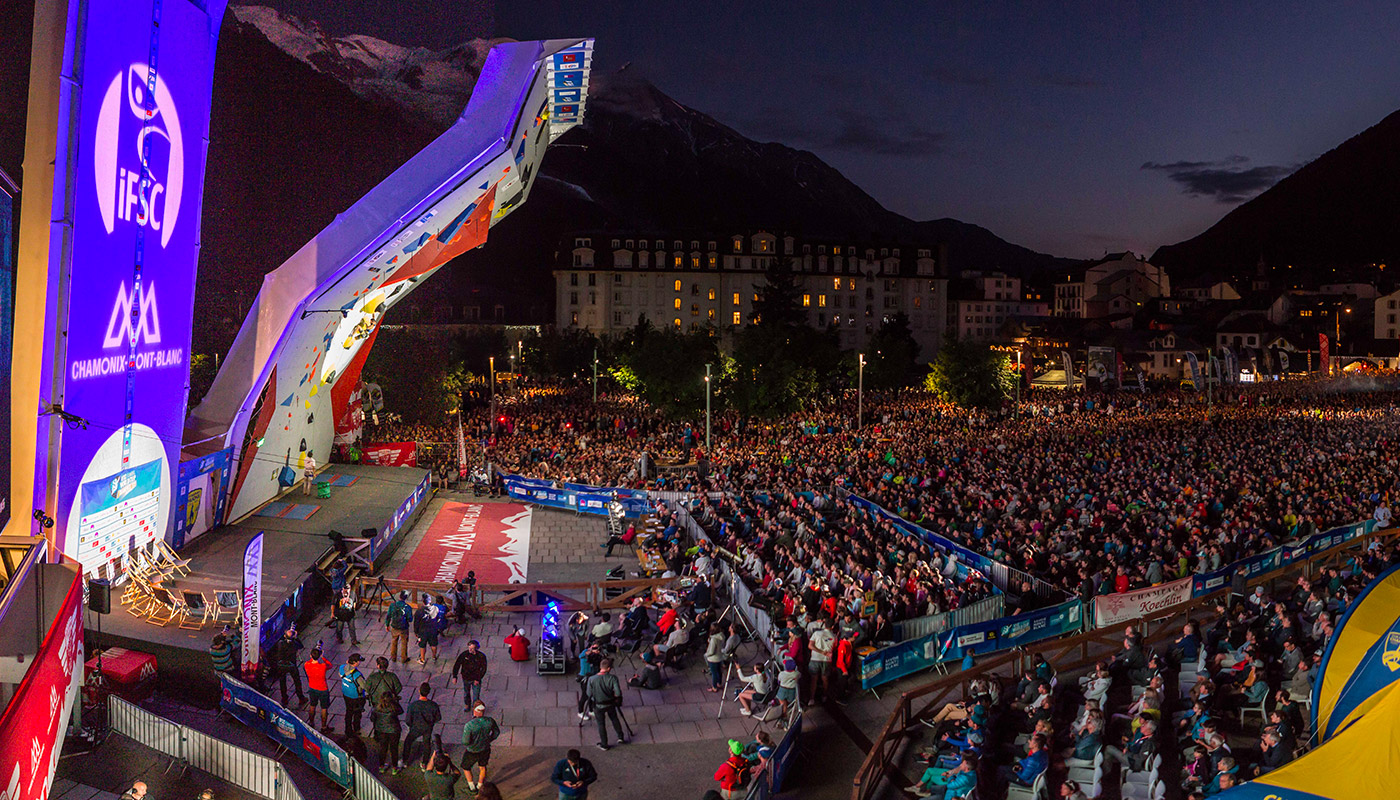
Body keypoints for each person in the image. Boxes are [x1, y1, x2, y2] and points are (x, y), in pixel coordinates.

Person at [585, 658, 626, 750]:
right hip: (610, 703)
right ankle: (620, 737)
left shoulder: (591, 679)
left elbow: (588, 693)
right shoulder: (613, 678)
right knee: (614, 719)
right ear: (608, 668)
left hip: (598, 705)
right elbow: (618, 693)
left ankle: (604, 744)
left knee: (601, 724)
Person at [460, 701, 500, 792]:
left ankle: (471, 787)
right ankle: (480, 785)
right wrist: (489, 739)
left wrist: (471, 743)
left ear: (474, 710)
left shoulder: (469, 725)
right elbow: (496, 733)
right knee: (483, 767)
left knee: (466, 767)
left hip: (472, 751)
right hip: (485, 749)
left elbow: (465, 742)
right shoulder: (490, 721)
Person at [403, 682, 441, 769]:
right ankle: (424, 762)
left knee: (408, 742)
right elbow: (438, 718)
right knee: (426, 744)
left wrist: (411, 725)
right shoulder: (433, 705)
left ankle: (405, 761)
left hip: (415, 727)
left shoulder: (413, 705)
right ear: (429, 692)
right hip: (427, 728)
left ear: (419, 691)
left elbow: (408, 720)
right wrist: (431, 723)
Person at [269, 625, 306, 707]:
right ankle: (301, 697)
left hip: (281, 665)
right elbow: (301, 646)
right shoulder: (294, 644)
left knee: (282, 681)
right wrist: (296, 637)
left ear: (285, 636)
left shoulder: (280, 643)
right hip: (292, 665)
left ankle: (284, 698)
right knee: (297, 681)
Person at [451, 639, 488, 709]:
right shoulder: (464, 654)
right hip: (466, 678)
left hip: (475, 679)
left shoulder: (481, 656)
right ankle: (467, 704)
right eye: (469, 648)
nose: (470, 650)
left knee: (476, 696)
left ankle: (475, 708)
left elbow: (483, 669)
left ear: (476, 648)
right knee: (466, 693)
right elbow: (457, 665)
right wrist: (454, 676)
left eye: (472, 648)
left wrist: (478, 679)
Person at [371, 692, 402, 774]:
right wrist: (395, 701)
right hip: (394, 730)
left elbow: (372, 719)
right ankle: (395, 767)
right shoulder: (394, 707)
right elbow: (401, 711)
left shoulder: (376, 708)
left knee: (383, 748)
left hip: (381, 730)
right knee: (394, 748)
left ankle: (381, 766)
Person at [303, 646, 333, 732]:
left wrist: (313, 655)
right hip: (323, 689)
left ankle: (311, 723)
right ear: (319, 656)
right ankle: (324, 727)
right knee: (324, 708)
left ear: (310, 656)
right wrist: (322, 656)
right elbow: (330, 665)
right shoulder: (322, 666)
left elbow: (310, 661)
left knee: (312, 706)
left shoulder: (306, 664)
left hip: (312, 688)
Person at [339, 653, 369, 737]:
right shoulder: (357, 675)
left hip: (346, 694)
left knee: (348, 712)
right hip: (356, 697)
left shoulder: (342, 667)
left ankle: (348, 729)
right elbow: (365, 686)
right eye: (359, 661)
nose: (359, 663)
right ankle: (356, 728)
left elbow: (340, 675)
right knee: (357, 713)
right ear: (355, 662)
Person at [385, 591, 414, 664]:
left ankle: (393, 657)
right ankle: (404, 658)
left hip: (394, 626)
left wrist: (387, 624)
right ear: (406, 598)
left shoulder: (392, 605)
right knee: (404, 643)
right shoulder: (408, 607)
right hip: (403, 627)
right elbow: (410, 619)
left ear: (399, 597)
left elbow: (388, 616)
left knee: (394, 641)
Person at [415, 594, 442, 663]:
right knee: (433, 644)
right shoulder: (435, 608)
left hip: (423, 631)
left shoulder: (419, 611)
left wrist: (416, 632)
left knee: (422, 645)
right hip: (433, 630)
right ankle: (433, 657)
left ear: (423, 602)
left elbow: (416, 623)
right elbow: (439, 618)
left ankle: (422, 659)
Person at [704, 622, 727, 693]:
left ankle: (714, 687)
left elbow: (712, 651)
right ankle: (719, 683)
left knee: (714, 673)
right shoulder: (722, 636)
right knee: (719, 671)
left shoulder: (714, 639)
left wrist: (706, 654)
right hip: (719, 656)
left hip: (713, 658)